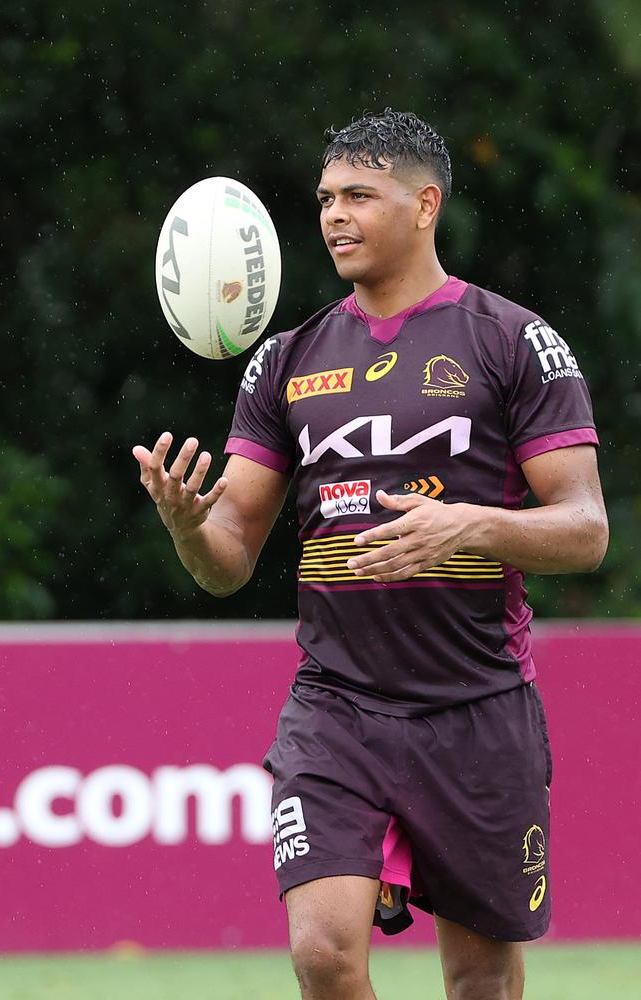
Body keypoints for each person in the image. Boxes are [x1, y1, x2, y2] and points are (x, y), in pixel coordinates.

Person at [133, 109, 608, 1000]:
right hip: (336, 707)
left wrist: (469, 525)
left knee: (481, 979)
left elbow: (586, 529)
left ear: (426, 204)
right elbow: (227, 560)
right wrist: (191, 526)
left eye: (360, 195)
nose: (334, 216)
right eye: (324, 199)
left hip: (478, 707)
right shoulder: (285, 360)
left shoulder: (513, 341)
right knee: (323, 954)